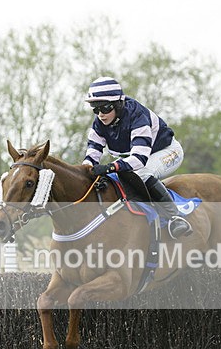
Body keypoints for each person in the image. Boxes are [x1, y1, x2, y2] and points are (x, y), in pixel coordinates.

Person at [82, 76, 191, 238]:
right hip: (133, 157)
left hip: (166, 151)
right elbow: (92, 154)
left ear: (118, 104)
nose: (100, 114)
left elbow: (139, 160)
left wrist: (110, 167)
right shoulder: (99, 122)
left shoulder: (137, 115)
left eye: (105, 108)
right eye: (95, 109)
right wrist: (85, 170)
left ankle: (176, 217)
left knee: (141, 173)